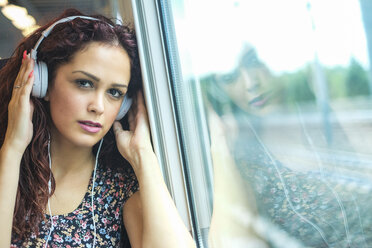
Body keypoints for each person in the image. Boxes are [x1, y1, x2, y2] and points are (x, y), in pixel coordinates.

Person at [0, 8, 195, 248]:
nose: (98, 107)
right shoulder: (7, 165)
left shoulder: (119, 187)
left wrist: (143, 155)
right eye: (84, 83)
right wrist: (12, 148)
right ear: (42, 83)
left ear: (124, 107)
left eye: (114, 93)